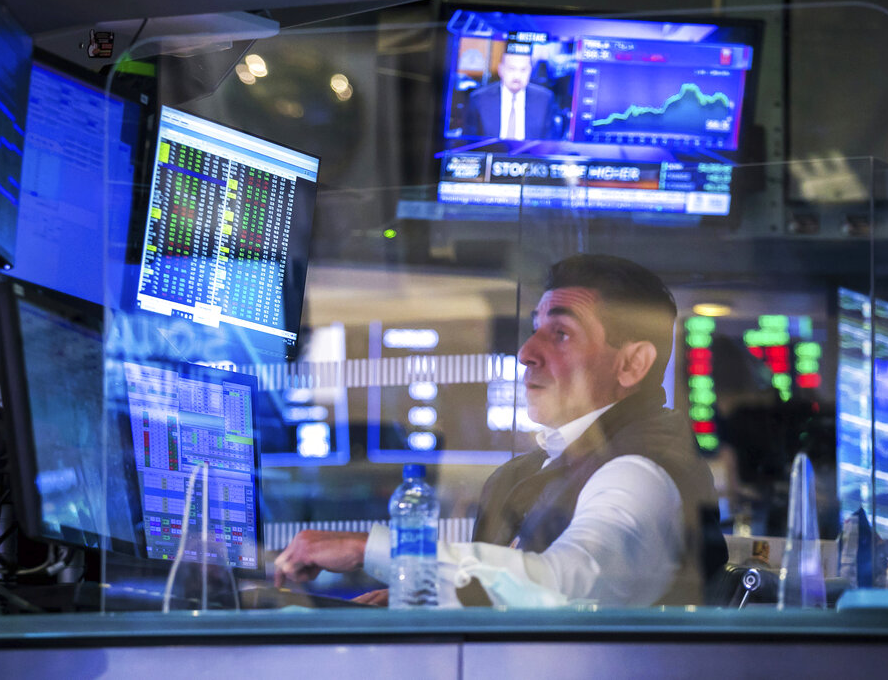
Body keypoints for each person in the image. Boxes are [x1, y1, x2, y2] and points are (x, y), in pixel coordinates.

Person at [275, 254, 727, 606]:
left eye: (561, 334)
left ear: (632, 364)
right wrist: (447, 597)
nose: (527, 352)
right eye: (534, 330)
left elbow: (559, 587)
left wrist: (369, 548)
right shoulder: (555, 466)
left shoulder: (639, 473)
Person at [462, 52, 557, 141]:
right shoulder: (479, 98)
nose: (517, 76)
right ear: (501, 70)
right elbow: (468, 143)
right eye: (512, 69)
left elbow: (550, 143)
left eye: (523, 70)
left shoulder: (544, 99)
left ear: (530, 71)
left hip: (531, 158)